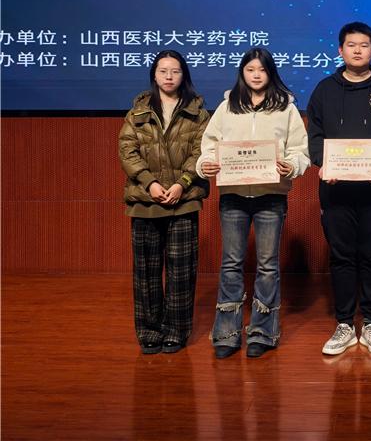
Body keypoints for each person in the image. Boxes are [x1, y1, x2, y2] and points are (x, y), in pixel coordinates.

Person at [197, 48, 310, 359]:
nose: (256, 75)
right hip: (233, 195)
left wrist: (291, 165)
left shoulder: (286, 108)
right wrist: (205, 165)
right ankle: (227, 333)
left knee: (268, 266)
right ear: (242, 73)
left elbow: (300, 151)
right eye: (250, 69)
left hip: (271, 195)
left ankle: (263, 332)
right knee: (231, 264)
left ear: (271, 73)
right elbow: (209, 147)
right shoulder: (227, 107)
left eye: (262, 69)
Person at [306, 21, 371, 355]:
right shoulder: (325, 89)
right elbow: (314, 134)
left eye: (364, 45)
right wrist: (323, 163)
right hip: (336, 190)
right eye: (351, 45)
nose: (358, 50)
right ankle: (345, 324)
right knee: (342, 256)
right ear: (340, 50)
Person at [118, 50, 210, 354]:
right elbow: (127, 151)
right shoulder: (138, 112)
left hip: (184, 201)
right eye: (163, 71)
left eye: (175, 71)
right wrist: (150, 182)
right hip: (145, 200)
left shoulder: (198, 112)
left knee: (181, 271)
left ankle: (176, 331)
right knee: (146, 272)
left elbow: (202, 152)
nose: (169, 77)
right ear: (154, 75)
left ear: (184, 75)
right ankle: (148, 331)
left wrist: (182, 183)